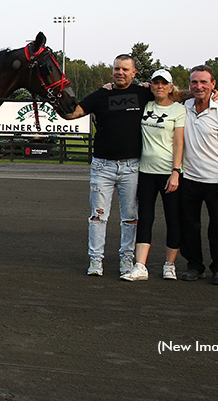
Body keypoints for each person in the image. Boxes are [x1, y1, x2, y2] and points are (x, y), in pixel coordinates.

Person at [63, 55, 153, 277]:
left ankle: (126, 260)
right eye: (116, 68)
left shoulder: (143, 93)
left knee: (130, 217)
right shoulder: (101, 95)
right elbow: (73, 113)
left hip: (131, 167)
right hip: (103, 166)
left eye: (124, 69)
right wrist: (55, 99)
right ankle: (95, 261)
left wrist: (211, 95)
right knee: (98, 216)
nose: (119, 72)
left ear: (134, 72)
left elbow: (172, 96)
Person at [121, 69, 186, 282]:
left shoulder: (178, 110)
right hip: (146, 172)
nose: (159, 86)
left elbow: (178, 142)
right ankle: (140, 265)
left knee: (173, 219)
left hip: (168, 172)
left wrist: (175, 172)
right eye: (156, 83)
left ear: (170, 87)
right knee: (145, 218)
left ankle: (170, 264)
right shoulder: (146, 106)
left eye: (163, 83)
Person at [177, 65, 218, 285]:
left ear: (213, 85)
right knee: (189, 226)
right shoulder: (184, 107)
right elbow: (162, 92)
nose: (199, 86)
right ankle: (194, 265)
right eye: (194, 82)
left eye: (204, 82)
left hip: (216, 180)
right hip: (190, 178)